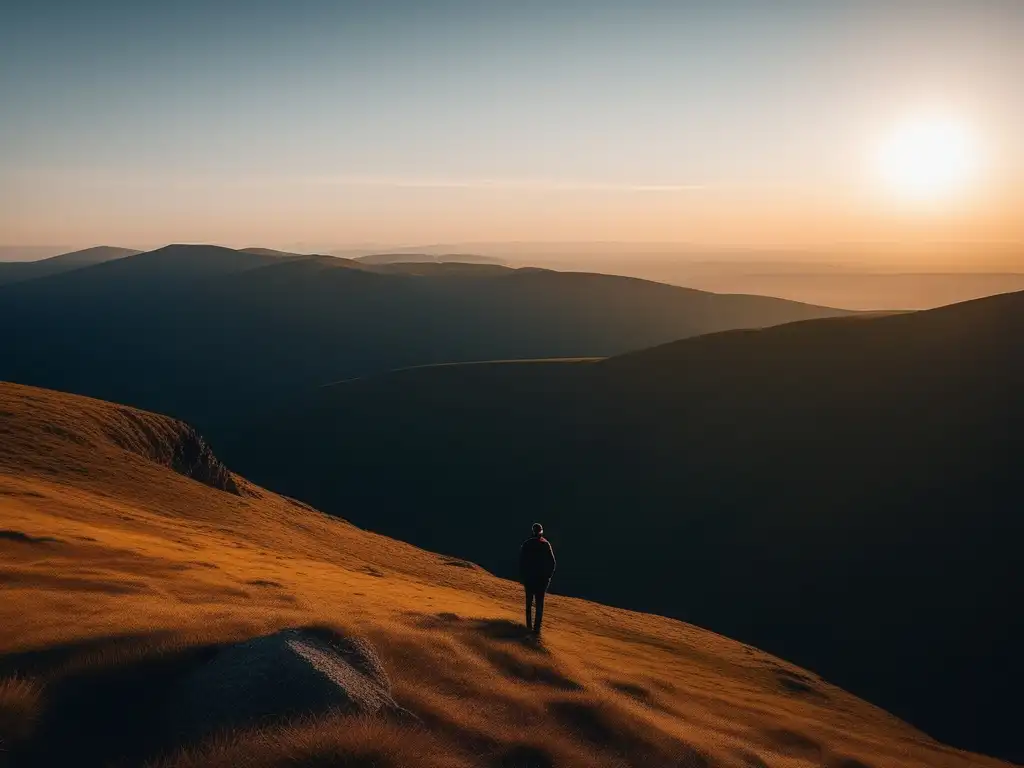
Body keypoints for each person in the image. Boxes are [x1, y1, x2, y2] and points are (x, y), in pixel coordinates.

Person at [519, 522, 556, 635]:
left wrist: (524, 577)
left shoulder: (527, 544)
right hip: (541, 580)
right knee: (539, 605)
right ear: (541, 532)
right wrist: (548, 577)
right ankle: (536, 631)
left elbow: (521, 563)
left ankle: (529, 628)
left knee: (529, 604)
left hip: (530, 579)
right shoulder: (545, 544)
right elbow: (552, 563)